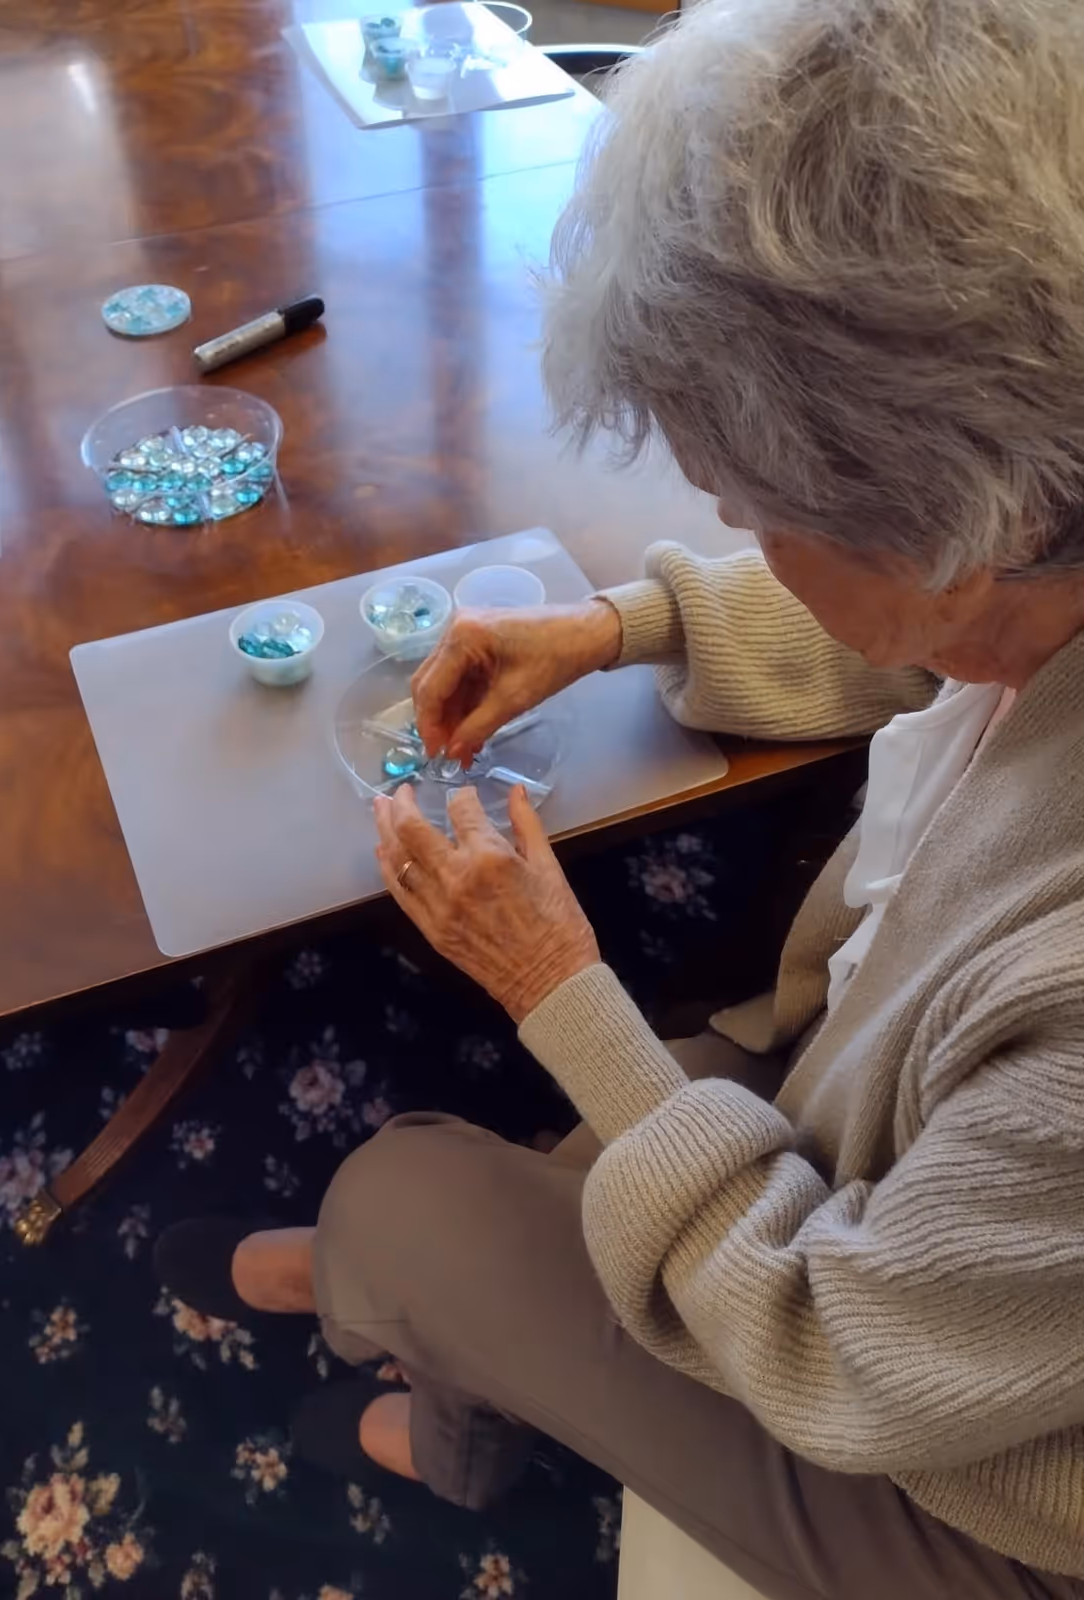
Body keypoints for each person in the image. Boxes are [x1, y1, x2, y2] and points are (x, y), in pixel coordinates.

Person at [155, 0, 1084, 1593]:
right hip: (910, 1186)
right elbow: (956, 633)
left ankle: (442, 1404)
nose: (719, 513)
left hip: (958, 1480)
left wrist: (554, 984)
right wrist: (620, 627)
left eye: (759, 507)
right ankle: (438, 1320)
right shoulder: (1031, 537)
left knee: (405, 1188)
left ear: (954, 524)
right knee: (589, 1162)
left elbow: (839, 1352)